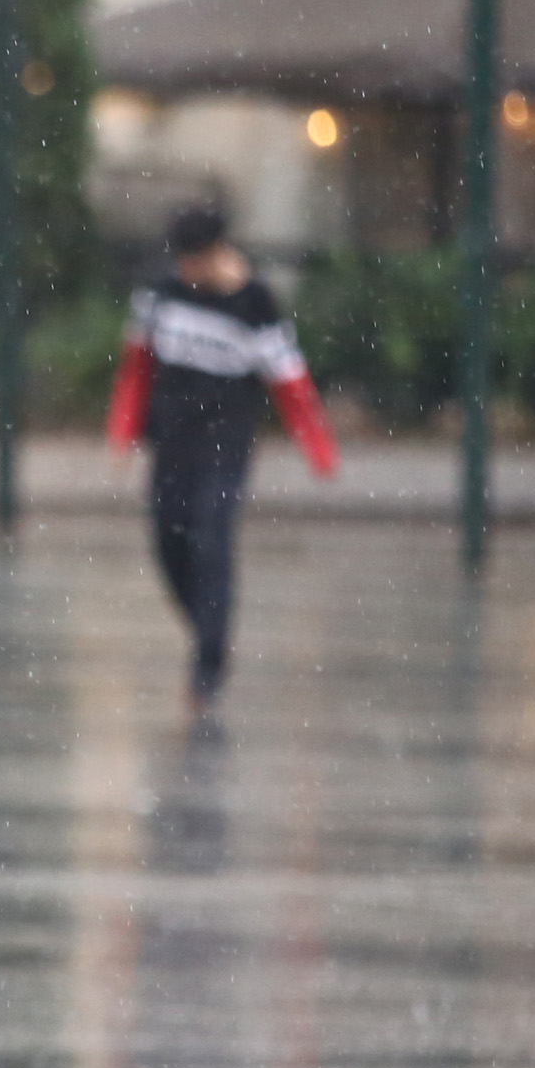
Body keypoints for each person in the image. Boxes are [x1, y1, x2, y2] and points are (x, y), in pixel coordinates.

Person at [104, 207, 340, 710]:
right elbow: (136, 368)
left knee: (212, 543)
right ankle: (208, 633)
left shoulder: (256, 304)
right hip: (170, 444)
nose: (187, 272)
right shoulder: (160, 295)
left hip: (224, 448)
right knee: (169, 544)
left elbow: (289, 382)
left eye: (196, 261)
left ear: (217, 253)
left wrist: (317, 447)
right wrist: (123, 430)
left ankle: (207, 665)